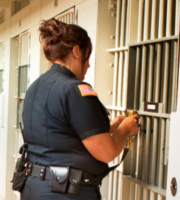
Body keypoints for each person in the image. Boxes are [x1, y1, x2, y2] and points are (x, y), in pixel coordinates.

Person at [20, 18, 140, 200]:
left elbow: (59, 133)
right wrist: (125, 130)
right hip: (63, 193)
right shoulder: (75, 90)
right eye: (88, 56)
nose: (89, 64)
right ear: (77, 51)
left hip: (33, 188)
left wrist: (111, 127)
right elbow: (106, 152)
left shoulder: (35, 87)